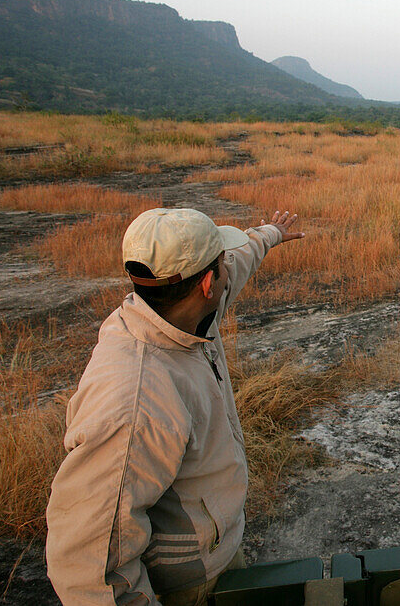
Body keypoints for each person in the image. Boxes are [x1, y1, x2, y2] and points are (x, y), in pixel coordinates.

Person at [46, 207, 304, 606]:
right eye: (220, 263)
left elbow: (237, 264)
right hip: (188, 586)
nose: (228, 268)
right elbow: (89, 565)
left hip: (213, 554)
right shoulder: (135, 399)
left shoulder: (182, 312)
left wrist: (269, 234)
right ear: (206, 283)